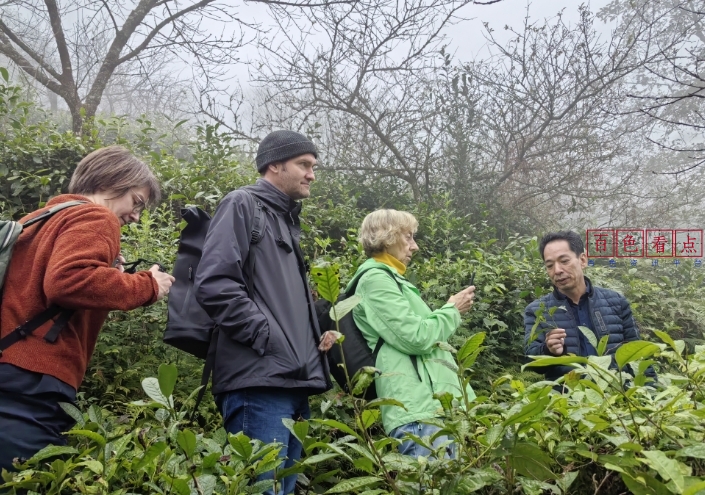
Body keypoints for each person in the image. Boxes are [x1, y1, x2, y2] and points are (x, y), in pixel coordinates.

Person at [0, 146, 175, 472]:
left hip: (9, 368)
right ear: (112, 182)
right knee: (27, 480)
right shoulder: (96, 216)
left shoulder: (38, 220)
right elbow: (68, 281)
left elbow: (41, 288)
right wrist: (149, 286)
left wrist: (110, 276)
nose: (136, 216)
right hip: (33, 379)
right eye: (136, 202)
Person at [194, 130, 331, 495]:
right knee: (262, 489)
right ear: (274, 164)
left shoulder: (286, 220)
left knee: (281, 490)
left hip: (293, 381)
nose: (311, 175)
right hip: (259, 379)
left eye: (313, 166)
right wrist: (265, 336)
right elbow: (214, 283)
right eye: (304, 164)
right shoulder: (242, 204)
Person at [347, 209, 476, 458]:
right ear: (388, 237)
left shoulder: (395, 280)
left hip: (434, 411)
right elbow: (416, 337)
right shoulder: (375, 279)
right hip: (418, 413)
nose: (414, 246)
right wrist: (452, 310)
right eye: (408, 237)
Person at [524, 231, 656, 384]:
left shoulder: (616, 302)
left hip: (618, 395)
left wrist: (651, 392)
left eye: (564, 261)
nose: (557, 270)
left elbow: (638, 354)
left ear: (583, 260)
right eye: (550, 265)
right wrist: (548, 350)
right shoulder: (537, 310)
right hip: (568, 400)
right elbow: (530, 361)